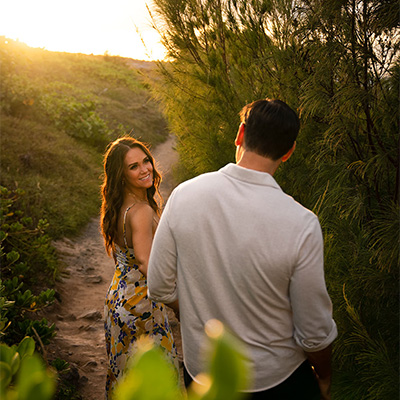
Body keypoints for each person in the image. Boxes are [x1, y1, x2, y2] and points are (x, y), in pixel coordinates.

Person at [147, 99, 337, 400]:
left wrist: (203, 311)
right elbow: (313, 332)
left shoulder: (184, 195)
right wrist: (324, 378)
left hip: (204, 376)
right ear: (289, 152)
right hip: (276, 380)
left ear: (240, 134)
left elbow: (158, 286)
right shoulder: (302, 224)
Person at [100, 136, 179, 399]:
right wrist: (178, 303)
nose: (145, 169)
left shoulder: (118, 207)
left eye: (146, 161)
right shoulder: (142, 210)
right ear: (121, 175)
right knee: (158, 378)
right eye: (133, 167)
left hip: (117, 298)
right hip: (141, 304)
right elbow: (146, 262)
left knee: (127, 377)